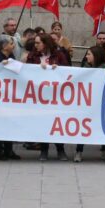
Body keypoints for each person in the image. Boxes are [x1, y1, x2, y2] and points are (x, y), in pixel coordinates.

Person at [26, 33, 69, 161]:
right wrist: (36, 69)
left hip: (56, 96)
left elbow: (68, 71)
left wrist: (59, 69)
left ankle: (60, 149)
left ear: (46, 43)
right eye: (35, 43)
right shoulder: (33, 55)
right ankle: (44, 150)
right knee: (43, 123)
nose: (36, 45)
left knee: (56, 122)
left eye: (38, 42)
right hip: (40, 96)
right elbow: (27, 71)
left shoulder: (59, 55)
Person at [0, 35, 22, 161]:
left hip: (9, 96)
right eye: (11, 43)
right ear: (4, 46)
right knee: (0, 124)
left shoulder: (11, 57)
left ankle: (9, 150)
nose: (14, 46)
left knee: (9, 124)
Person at [74, 45, 105, 162]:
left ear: (96, 56)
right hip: (86, 103)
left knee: (103, 126)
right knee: (83, 126)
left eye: (89, 54)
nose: (86, 56)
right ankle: (79, 151)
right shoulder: (85, 68)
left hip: (101, 103)